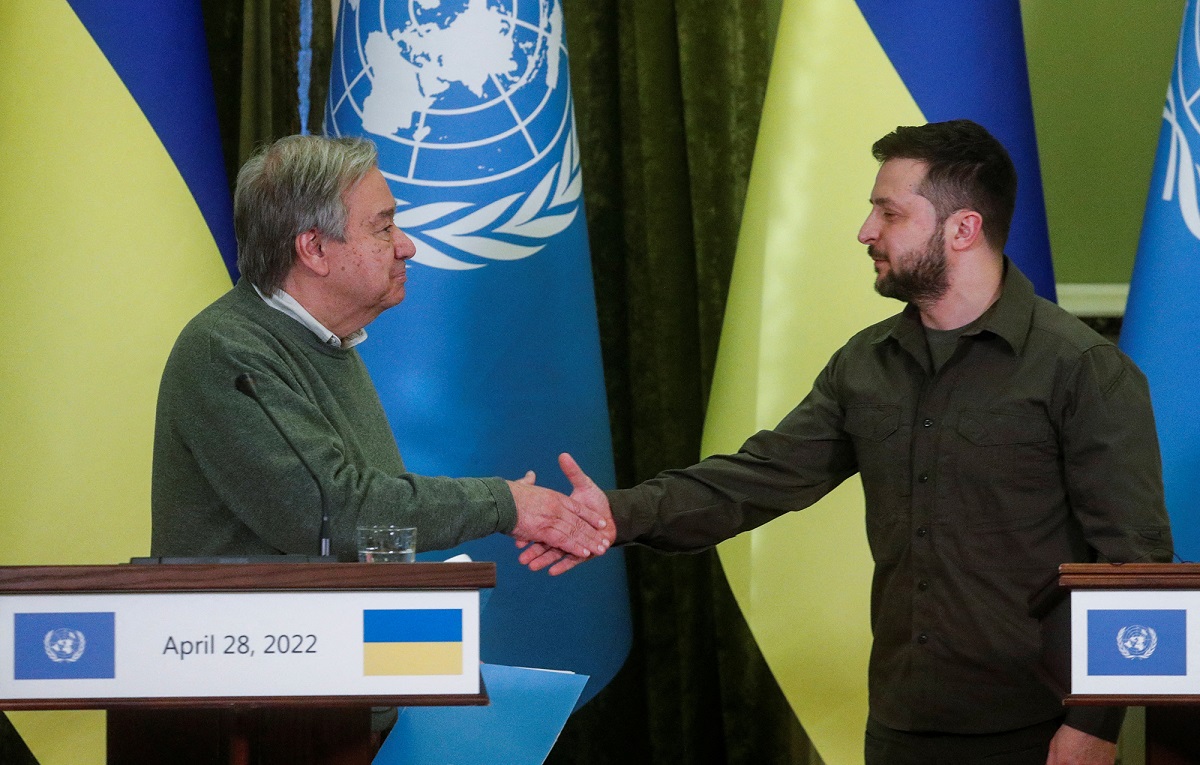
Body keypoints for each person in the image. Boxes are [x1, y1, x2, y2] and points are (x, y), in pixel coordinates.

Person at [521, 120, 1174, 764]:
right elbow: (757, 478)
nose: (866, 231)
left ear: (963, 228)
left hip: (1038, 730)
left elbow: (1137, 563)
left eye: (889, 213)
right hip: (899, 725)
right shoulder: (865, 364)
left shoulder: (1081, 368)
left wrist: (1096, 725)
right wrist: (614, 514)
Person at [151, 134, 612, 564]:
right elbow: (331, 513)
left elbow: (366, 531)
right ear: (314, 248)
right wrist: (503, 504)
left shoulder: (328, 343)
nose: (406, 247)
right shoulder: (228, 352)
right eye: (384, 227)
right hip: (251, 626)